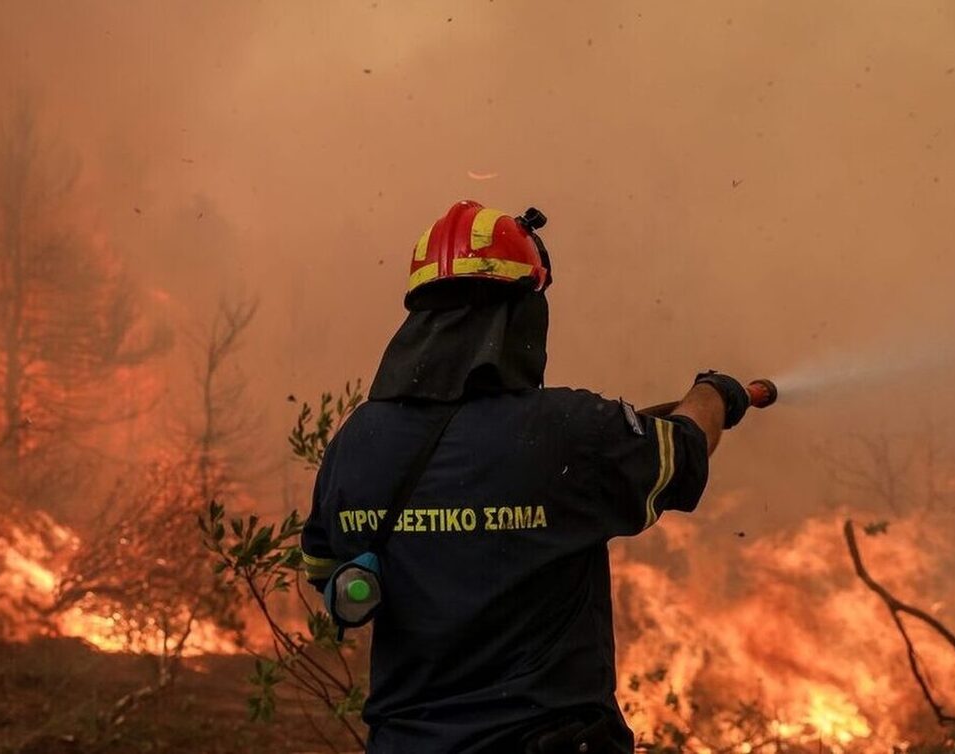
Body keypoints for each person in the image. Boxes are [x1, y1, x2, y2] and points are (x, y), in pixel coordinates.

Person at [300, 200, 752, 754]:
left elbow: (326, 571)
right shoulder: (567, 431)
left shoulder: (355, 444)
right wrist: (714, 394)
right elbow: (683, 455)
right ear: (519, 317)